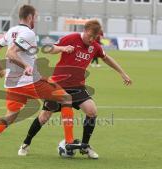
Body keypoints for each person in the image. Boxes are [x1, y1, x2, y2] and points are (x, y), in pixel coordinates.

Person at [0, 4, 77, 156]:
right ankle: (70, 142)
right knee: (66, 98)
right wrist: (26, 65)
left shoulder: (12, 31)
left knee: (9, 117)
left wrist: (62, 49)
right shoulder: (28, 33)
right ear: (30, 17)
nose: (36, 20)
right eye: (36, 17)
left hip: (12, 84)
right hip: (30, 82)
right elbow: (10, 53)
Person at [17, 19, 132, 159]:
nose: (92, 39)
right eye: (90, 36)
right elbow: (49, 48)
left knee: (92, 111)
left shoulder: (95, 47)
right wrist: (62, 48)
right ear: (85, 30)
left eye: (94, 37)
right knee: (44, 117)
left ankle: (85, 146)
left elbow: (107, 58)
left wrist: (122, 73)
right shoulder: (71, 38)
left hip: (78, 87)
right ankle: (26, 143)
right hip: (58, 86)